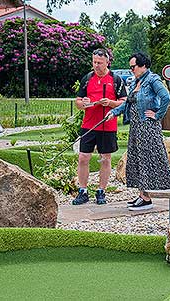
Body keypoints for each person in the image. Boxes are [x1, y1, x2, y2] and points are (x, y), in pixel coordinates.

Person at [107, 52, 170, 211]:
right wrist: (113, 113)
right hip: (136, 128)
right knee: (138, 160)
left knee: (146, 161)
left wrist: (157, 115)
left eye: (133, 67)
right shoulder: (136, 82)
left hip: (147, 127)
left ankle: (146, 198)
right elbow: (128, 104)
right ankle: (142, 195)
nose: (131, 70)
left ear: (143, 65)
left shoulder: (153, 80)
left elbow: (166, 97)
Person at [72, 48, 127, 205]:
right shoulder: (87, 78)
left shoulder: (116, 79)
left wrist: (110, 103)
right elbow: (78, 102)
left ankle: (101, 191)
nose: (96, 65)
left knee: (105, 159)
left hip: (108, 125)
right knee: (83, 157)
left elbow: (124, 102)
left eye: (99, 63)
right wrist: (84, 104)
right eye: (94, 62)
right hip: (88, 124)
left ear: (107, 62)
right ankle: (82, 191)